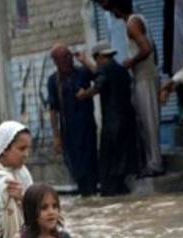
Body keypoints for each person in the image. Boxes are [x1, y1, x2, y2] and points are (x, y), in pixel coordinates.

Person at [107, 0, 163, 177]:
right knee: (146, 123)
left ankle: (155, 164)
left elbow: (146, 48)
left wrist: (131, 61)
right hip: (145, 76)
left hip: (144, 78)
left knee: (149, 123)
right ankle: (152, 162)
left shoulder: (132, 23)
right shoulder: (138, 19)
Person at [77, 42, 140, 196]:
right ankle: (122, 190)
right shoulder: (121, 69)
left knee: (108, 162)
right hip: (128, 120)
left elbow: (99, 85)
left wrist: (83, 94)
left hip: (112, 123)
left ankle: (111, 193)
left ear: (99, 57)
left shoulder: (104, 68)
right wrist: (85, 62)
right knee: (122, 161)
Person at [48, 44, 99, 196]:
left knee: (90, 164)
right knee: (75, 167)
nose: (68, 61)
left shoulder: (82, 72)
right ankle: (85, 193)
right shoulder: (53, 81)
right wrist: (56, 137)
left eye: (69, 56)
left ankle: (90, 194)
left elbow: (101, 76)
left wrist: (85, 61)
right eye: (63, 58)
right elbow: (53, 110)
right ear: (56, 62)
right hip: (68, 131)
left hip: (87, 127)